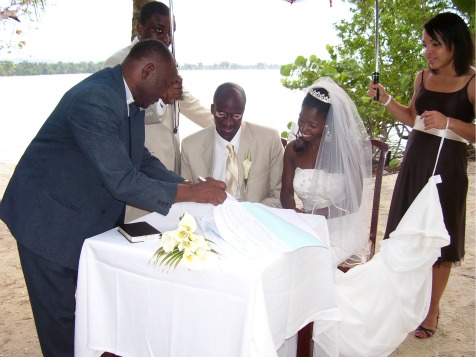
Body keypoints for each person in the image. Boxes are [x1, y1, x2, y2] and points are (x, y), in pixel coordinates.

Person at [0, 39, 226, 357]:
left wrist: (187, 185)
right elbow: (123, 180)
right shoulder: (94, 99)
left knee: (90, 315)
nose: (164, 94)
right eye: (163, 85)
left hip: (84, 216)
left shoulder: (129, 101)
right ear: (147, 70)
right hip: (47, 222)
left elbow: (140, 159)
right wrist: (190, 193)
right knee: (61, 325)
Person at [369, 12, 475, 339]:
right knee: (405, 233)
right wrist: (386, 98)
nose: (429, 50)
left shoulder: (472, 82)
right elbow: (412, 117)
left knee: (439, 241)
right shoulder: (421, 77)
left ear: (455, 44)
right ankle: (402, 301)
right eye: (426, 44)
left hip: (448, 170)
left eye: (436, 44)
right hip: (415, 163)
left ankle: (432, 311)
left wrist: (449, 122)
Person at [103, 1, 214, 222]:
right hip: (140, 162)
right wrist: (163, 100)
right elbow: (121, 116)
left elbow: (186, 100)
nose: (165, 38)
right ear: (139, 28)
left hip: (168, 159)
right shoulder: (118, 62)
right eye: (159, 30)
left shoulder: (167, 59)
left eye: (170, 34)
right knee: (139, 225)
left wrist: (222, 124)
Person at [280, 76, 372, 267]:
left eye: (312, 125)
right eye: (301, 120)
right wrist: (294, 215)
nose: (303, 128)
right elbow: (286, 192)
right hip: (305, 225)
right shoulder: (292, 150)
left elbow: (352, 202)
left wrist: (314, 215)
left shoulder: (346, 152)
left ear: (328, 124)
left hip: (341, 226)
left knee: (314, 263)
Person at [181, 82, 284, 207]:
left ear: (243, 112)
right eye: (222, 115)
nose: (228, 123)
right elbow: (187, 199)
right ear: (213, 109)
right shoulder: (190, 146)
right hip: (209, 217)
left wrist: (245, 215)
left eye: (236, 116)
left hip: (255, 217)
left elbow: (279, 197)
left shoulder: (269, 140)